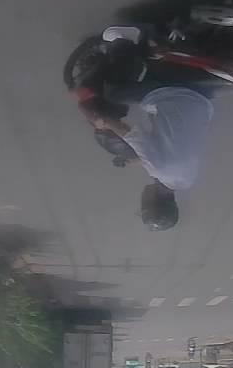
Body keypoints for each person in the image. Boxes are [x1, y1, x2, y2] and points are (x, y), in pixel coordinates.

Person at [73, 39, 217, 231]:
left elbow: (168, 157)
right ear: (150, 202)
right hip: (173, 94)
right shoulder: (159, 170)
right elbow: (130, 134)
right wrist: (104, 121)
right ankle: (123, 44)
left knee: (144, 107)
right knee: (115, 94)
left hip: (202, 103)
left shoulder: (186, 181)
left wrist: (132, 161)